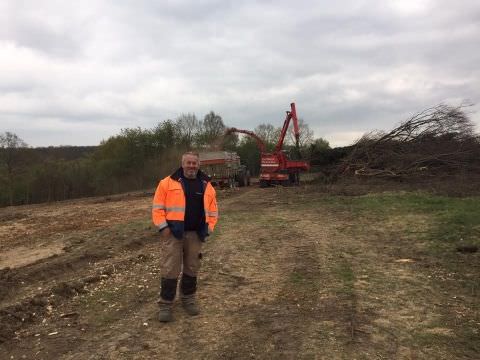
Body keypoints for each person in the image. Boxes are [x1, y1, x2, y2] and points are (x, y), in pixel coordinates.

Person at [152, 151, 218, 322]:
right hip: (173, 233)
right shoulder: (166, 183)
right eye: (188, 163)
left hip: (195, 234)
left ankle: (188, 299)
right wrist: (163, 228)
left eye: (194, 163)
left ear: (198, 165)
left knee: (192, 267)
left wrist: (209, 228)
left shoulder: (206, 185)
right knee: (170, 268)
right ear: (182, 164)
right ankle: (166, 304)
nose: (191, 166)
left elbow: (213, 210)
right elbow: (157, 208)